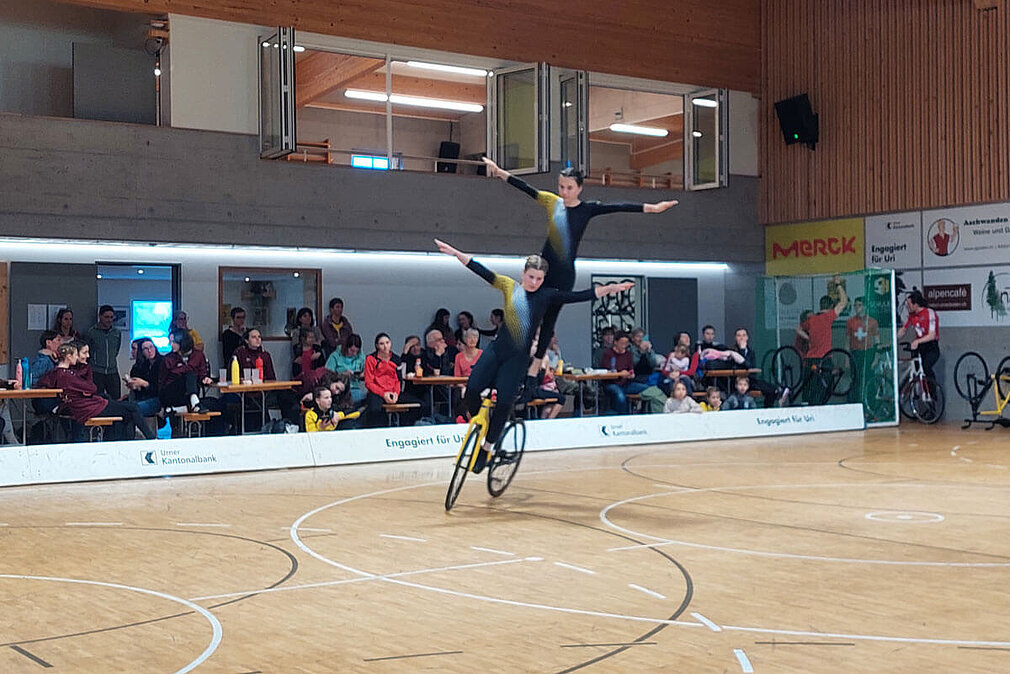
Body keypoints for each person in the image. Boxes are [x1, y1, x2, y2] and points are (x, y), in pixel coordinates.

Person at [437, 237, 634, 470]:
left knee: (504, 404)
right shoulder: (509, 287)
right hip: (497, 351)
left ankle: (487, 448)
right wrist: (456, 253)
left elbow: (578, 296)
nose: (534, 282)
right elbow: (481, 270)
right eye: (531, 277)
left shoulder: (546, 295)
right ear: (523, 273)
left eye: (539, 279)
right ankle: (481, 422)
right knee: (471, 389)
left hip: (517, 360)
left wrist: (610, 289)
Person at [483, 158, 678, 391]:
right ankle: (515, 365)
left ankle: (534, 372)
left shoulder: (587, 209)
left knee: (549, 320)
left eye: (569, 188)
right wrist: (500, 172)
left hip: (564, 274)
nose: (564, 192)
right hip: (543, 271)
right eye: (561, 186)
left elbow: (618, 206)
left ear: (579, 188)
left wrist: (652, 208)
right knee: (529, 315)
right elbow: (526, 188)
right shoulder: (552, 202)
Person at [37, 342, 156, 441]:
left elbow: (42, 382)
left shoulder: (56, 372)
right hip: (86, 407)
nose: (87, 356)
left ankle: (123, 440)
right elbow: (91, 388)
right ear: (69, 356)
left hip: (87, 404)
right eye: (81, 353)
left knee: (125, 409)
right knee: (132, 408)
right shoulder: (67, 375)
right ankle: (150, 440)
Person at [797, 276, 848, 402]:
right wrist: (838, 285)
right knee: (825, 388)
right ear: (831, 306)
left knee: (809, 388)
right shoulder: (828, 316)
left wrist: (808, 338)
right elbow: (843, 302)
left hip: (810, 359)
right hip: (824, 358)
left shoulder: (812, 319)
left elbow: (798, 329)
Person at [363, 332, 422, 427]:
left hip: (394, 392)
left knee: (418, 404)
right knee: (375, 410)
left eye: (387, 343)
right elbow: (369, 383)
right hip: (377, 393)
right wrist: (383, 394)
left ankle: (407, 428)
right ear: (377, 346)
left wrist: (396, 394)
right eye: (382, 344)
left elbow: (398, 380)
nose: (385, 346)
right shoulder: (371, 359)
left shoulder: (396, 359)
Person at [159, 328, 213, 413]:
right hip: (171, 392)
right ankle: (195, 404)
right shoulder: (168, 358)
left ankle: (179, 409)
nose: (171, 344)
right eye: (170, 342)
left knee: (214, 403)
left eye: (173, 342)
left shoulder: (198, 355)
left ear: (182, 341)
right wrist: (186, 369)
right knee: (190, 374)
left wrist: (205, 379)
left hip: (189, 393)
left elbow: (202, 373)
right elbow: (162, 381)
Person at [598, 331, 650, 414]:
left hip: (626, 383)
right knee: (620, 397)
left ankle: (642, 412)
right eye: (622, 343)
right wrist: (620, 374)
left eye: (626, 343)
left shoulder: (628, 354)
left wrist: (631, 374)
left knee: (649, 390)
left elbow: (631, 369)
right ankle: (624, 416)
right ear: (615, 342)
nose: (624, 346)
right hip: (611, 384)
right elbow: (605, 371)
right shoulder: (608, 353)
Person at [896, 289, 940, 382]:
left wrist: (917, 341)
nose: (907, 307)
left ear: (916, 304)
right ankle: (915, 388)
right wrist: (894, 339)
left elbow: (932, 335)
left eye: (909, 305)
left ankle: (932, 390)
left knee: (926, 367)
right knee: (915, 369)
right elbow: (903, 330)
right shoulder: (911, 315)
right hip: (920, 347)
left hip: (931, 346)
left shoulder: (929, 312)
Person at [846, 296, 880, 403]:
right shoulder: (850, 322)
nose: (857, 307)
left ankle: (870, 404)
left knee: (869, 379)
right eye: (855, 305)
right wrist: (847, 359)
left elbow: (877, 341)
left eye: (859, 305)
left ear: (865, 306)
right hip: (855, 353)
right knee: (855, 380)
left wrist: (876, 358)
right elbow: (847, 341)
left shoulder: (872, 322)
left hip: (868, 353)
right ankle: (853, 404)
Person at [85, 305, 122, 400]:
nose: (109, 320)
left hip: (112, 371)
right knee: (96, 399)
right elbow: (87, 351)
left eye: (111, 317)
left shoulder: (117, 332)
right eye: (106, 317)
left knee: (116, 399)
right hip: (96, 371)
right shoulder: (91, 332)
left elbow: (116, 350)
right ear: (100, 316)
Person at [125, 338, 164, 418]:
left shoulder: (162, 363)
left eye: (151, 347)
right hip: (146, 397)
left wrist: (145, 384)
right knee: (124, 407)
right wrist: (136, 386)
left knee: (132, 409)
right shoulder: (144, 366)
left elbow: (160, 389)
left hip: (160, 399)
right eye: (146, 349)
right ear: (142, 352)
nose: (149, 350)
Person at [326, 333, 366, 405]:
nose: (354, 353)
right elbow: (327, 374)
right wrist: (342, 374)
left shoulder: (361, 357)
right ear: (346, 347)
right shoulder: (335, 356)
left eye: (356, 351)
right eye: (352, 350)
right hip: (339, 388)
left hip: (355, 387)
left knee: (363, 397)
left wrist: (362, 375)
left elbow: (366, 370)